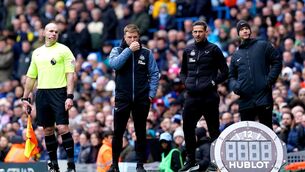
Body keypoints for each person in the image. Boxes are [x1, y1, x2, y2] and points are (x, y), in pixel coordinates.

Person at [22, 22, 76, 172]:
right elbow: (31, 77)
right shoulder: (37, 52)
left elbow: (70, 75)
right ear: (44, 33)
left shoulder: (64, 50)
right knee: (47, 130)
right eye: (51, 31)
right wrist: (25, 98)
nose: (53, 34)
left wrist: (70, 96)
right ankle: (54, 165)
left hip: (59, 92)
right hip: (42, 93)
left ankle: (71, 165)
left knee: (62, 127)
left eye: (56, 32)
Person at [107, 24, 159, 172]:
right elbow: (114, 65)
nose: (133, 39)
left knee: (140, 131)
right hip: (122, 98)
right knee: (118, 131)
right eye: (129, 37)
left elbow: (155, 74)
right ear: (124, 37)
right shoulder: (117, 50)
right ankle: (114, 165)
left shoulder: (147, 53)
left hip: (141, 99)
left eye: (135, 37)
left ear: (139, 37)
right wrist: (129, 51)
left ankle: (140, 165)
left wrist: (151, 95)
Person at [179, 20, 229, 172]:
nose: (197, 34)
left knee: (214, 130)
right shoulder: (187, 50)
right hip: (192, 96)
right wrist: (185, 82)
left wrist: (213, 82)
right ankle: (191, 160)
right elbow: (183, 72)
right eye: (195, 32)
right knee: (187, 128)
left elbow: (225, 72)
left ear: (206, 32)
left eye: (200, 31)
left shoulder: (214, 49)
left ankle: (217, 162)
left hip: (209, 97)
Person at [228, 20, 282, 129]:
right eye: (242, 29)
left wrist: (269, 80)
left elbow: (277, 61)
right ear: (238, 33)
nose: (245, 31)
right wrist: (236, 86)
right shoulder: (236, 55)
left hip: (263, 97)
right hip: (245, 100)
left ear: (250, 31)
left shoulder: (262, 45)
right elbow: (231, 76)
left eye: (246, 28)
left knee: (267, 131)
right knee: (248, 133)